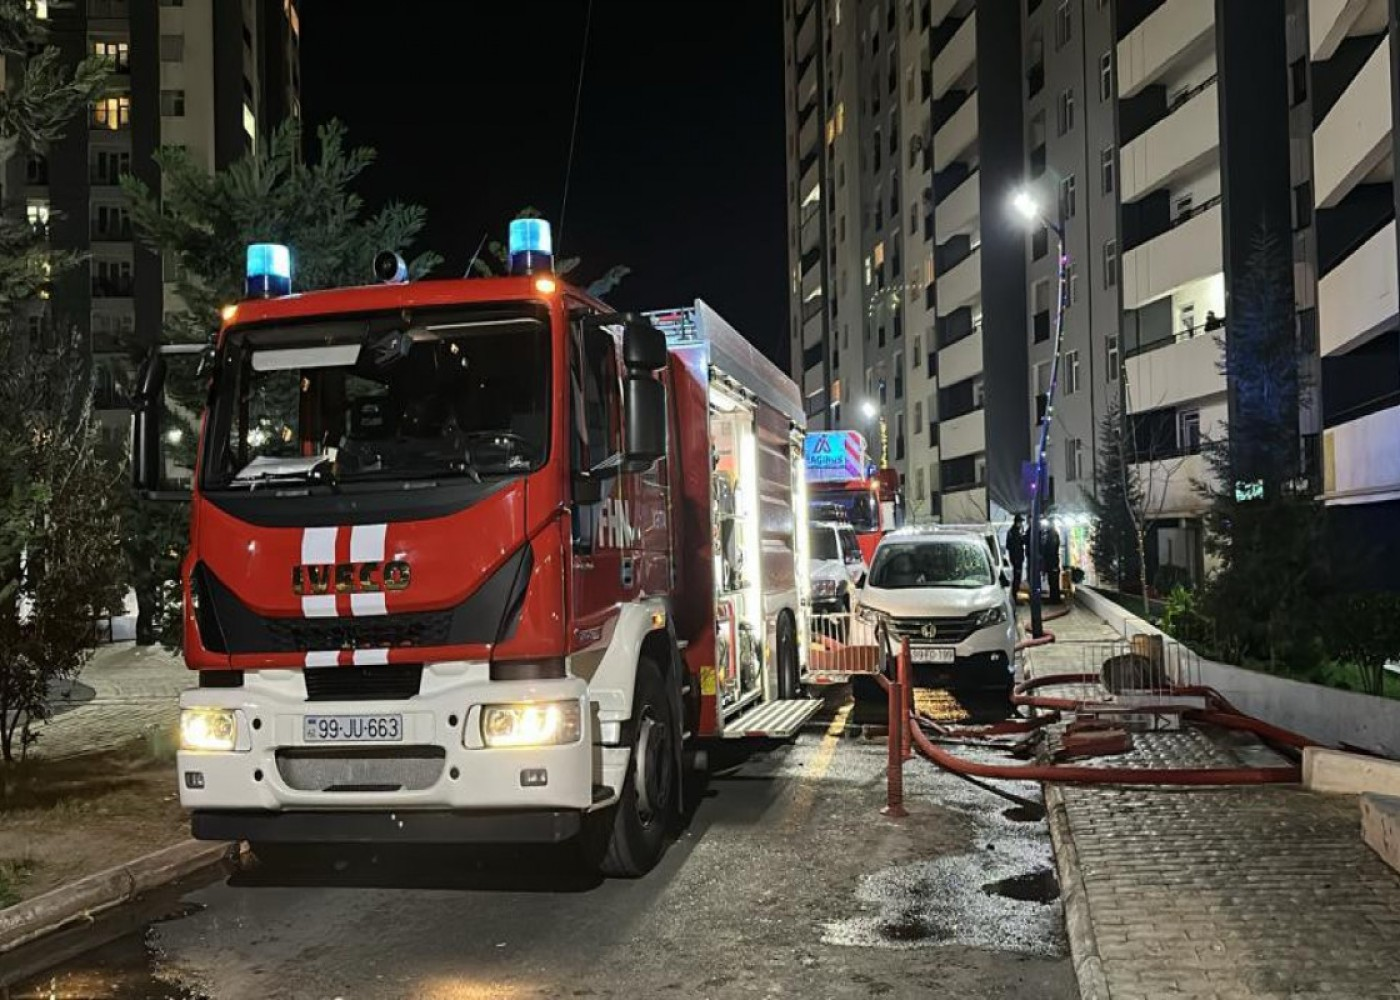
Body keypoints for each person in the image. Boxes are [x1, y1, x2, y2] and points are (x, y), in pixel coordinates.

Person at [1006, 515, 1026, 601]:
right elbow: (1014, 546)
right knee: (1017, 577)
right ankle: (1014, 597)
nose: (1021, 524)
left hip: (1016, 558)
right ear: (1017, 522)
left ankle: (1015, 595)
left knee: (1017, 577)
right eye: (1021, 522)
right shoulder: (1014, 532)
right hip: (1016, 558)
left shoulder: (1014, 531)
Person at [1041, 523, 1062, 603]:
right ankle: (1054, 598)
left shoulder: (1052, 535)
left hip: (1052, 562)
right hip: (1052, 562)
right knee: (1052, 581)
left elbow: (1051, 550)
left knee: (1053, 581)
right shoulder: (1052, 534)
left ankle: (1055, 599)